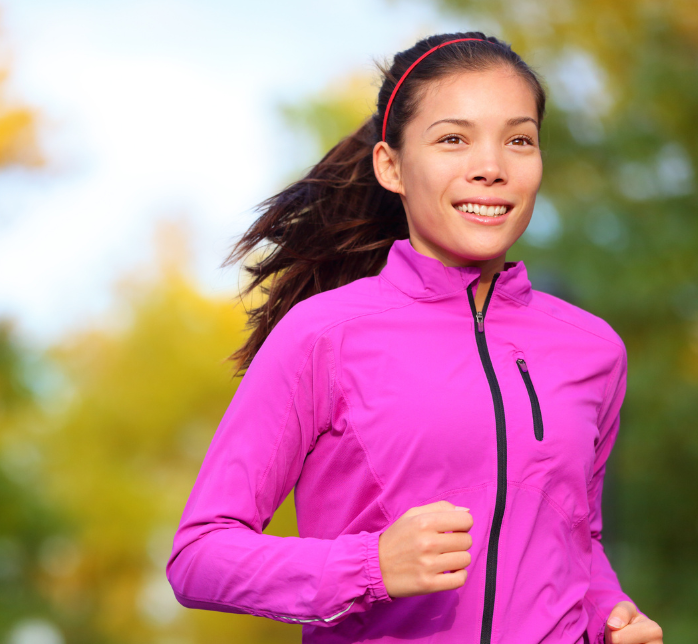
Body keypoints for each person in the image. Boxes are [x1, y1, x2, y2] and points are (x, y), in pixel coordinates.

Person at [166, 32, 665, 644]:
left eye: (519, 140)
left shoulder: (594, 350)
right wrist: (370, 567)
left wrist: (612, 616)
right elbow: (200, 556)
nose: (492, 167)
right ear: (392, 166)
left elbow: (575, 539)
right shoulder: (321, 336)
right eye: (453, 139)